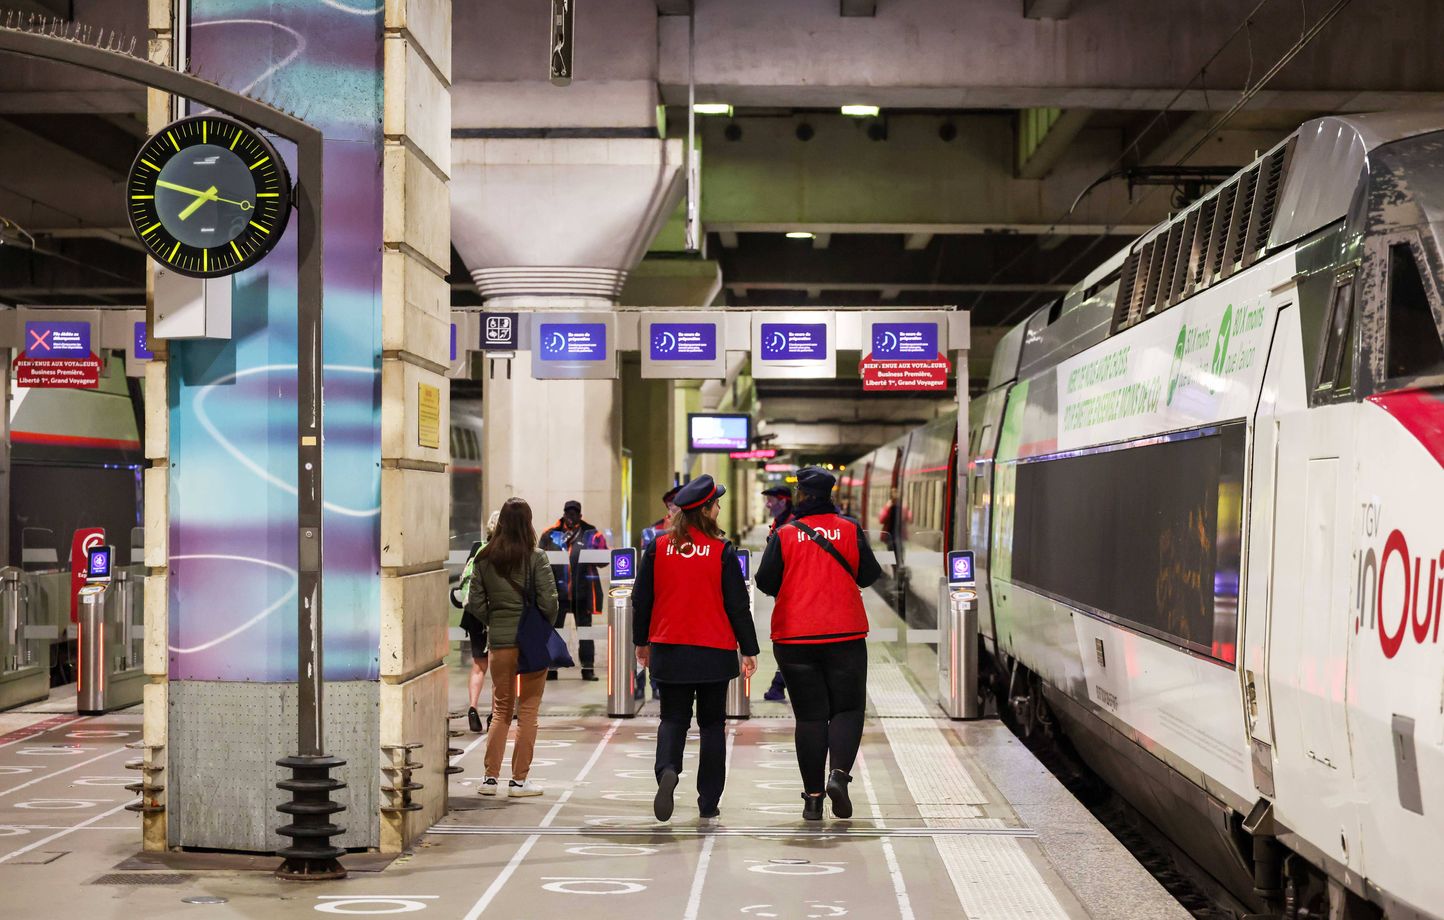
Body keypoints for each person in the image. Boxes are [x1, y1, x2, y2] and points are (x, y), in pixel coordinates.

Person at [755, 466, 881, 821]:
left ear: (800, 497)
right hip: (845, 634)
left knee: (810, 717)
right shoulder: (850, 529)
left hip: (794, 636)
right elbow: (869, 575)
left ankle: (812, 800)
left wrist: (797, 585)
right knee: (848, 709)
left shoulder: (785, 533)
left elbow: (765, 581)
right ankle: (838, 776)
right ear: (831, 495)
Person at [634, 475, 759, 823]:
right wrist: (749, 648)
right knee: (712, 726)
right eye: (716, 502)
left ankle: (667, 771)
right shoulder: (722, 551)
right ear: (705, 510)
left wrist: (641, 643)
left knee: (672, 718)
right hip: (714, 652)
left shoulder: (658, 547)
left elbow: (641, 599)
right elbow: (737, 605)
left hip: (670, 649)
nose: (719, 507)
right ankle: (708, 801)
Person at [466, 497, 559, 798]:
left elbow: (475, 603)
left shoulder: (483, 557)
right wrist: (541, 625)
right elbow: (550, 602)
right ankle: (519, 781)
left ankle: (489, 779)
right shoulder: (536, 557)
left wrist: (495, 620)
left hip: (501, 643)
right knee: (528, 711)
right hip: (530, 642)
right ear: (528, 523)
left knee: (501, 710)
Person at [540, 500, 608, 681]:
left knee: (586, 632)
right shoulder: (550, 534)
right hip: (557, 593)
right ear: (563, 513)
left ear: (580, 515)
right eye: (568, 513)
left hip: (583, 592)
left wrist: (594, 551)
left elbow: (604, 560)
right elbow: (539, 558)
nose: (571, 516)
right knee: (554, 631)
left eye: (574, 513)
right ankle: (551, 669)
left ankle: (588, 669)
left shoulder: (592, 533)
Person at [455, 510, 503, 734]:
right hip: (497, 615)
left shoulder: (477, 549)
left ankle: (473, 708)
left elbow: (464, 582)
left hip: (475, 615)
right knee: (499, 667)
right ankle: (495, 713)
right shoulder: (507, 552)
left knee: (478, 665)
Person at [636, 485, 680, 700]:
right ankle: (647, 684)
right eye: (672, 504)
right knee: (652, 642)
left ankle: (662, 684)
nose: (675, 508)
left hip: (677, 598)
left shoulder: (699, 532)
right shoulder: (653, 532)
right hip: (658, 595)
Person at [760, 484, 795, 703]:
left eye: (771, 500)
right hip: (783, 592)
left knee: (790, 640)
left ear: (783, 501)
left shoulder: (790, 524)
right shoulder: (779, 523)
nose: (767, 504)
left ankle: (778, 684)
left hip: (792, 592)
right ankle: (778, 684)